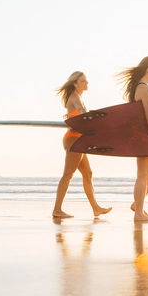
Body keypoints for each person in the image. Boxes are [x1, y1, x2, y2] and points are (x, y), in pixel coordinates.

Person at [51, 72, 113, 220]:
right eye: (83, 81)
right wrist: (88, 117)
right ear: (75, 84)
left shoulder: (77, 97)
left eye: (86, 81)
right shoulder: (74, 96)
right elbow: (81, 110)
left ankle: (96, 208)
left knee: (88, 174)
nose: (86, 83)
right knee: (68, 174)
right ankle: (57, 209)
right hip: (73, 139)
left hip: (78, 139)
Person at [118, 56, 148, 222]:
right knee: (142, 175)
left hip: (144, 136)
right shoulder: (145, 89)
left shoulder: (141, 89)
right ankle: (138, 213)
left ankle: (137, 205)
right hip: (146, 138)